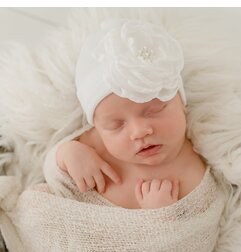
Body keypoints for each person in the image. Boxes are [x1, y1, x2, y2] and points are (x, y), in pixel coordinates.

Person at [54, 19, 207, 209]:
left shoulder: (192, 174)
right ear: (99, 127)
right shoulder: (94, 145)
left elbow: (201, 234)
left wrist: (162, 218)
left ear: (181, 103)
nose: (140, 131)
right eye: (116, 124)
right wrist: (66, 153)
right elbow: (53, 179)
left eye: (155, 110)